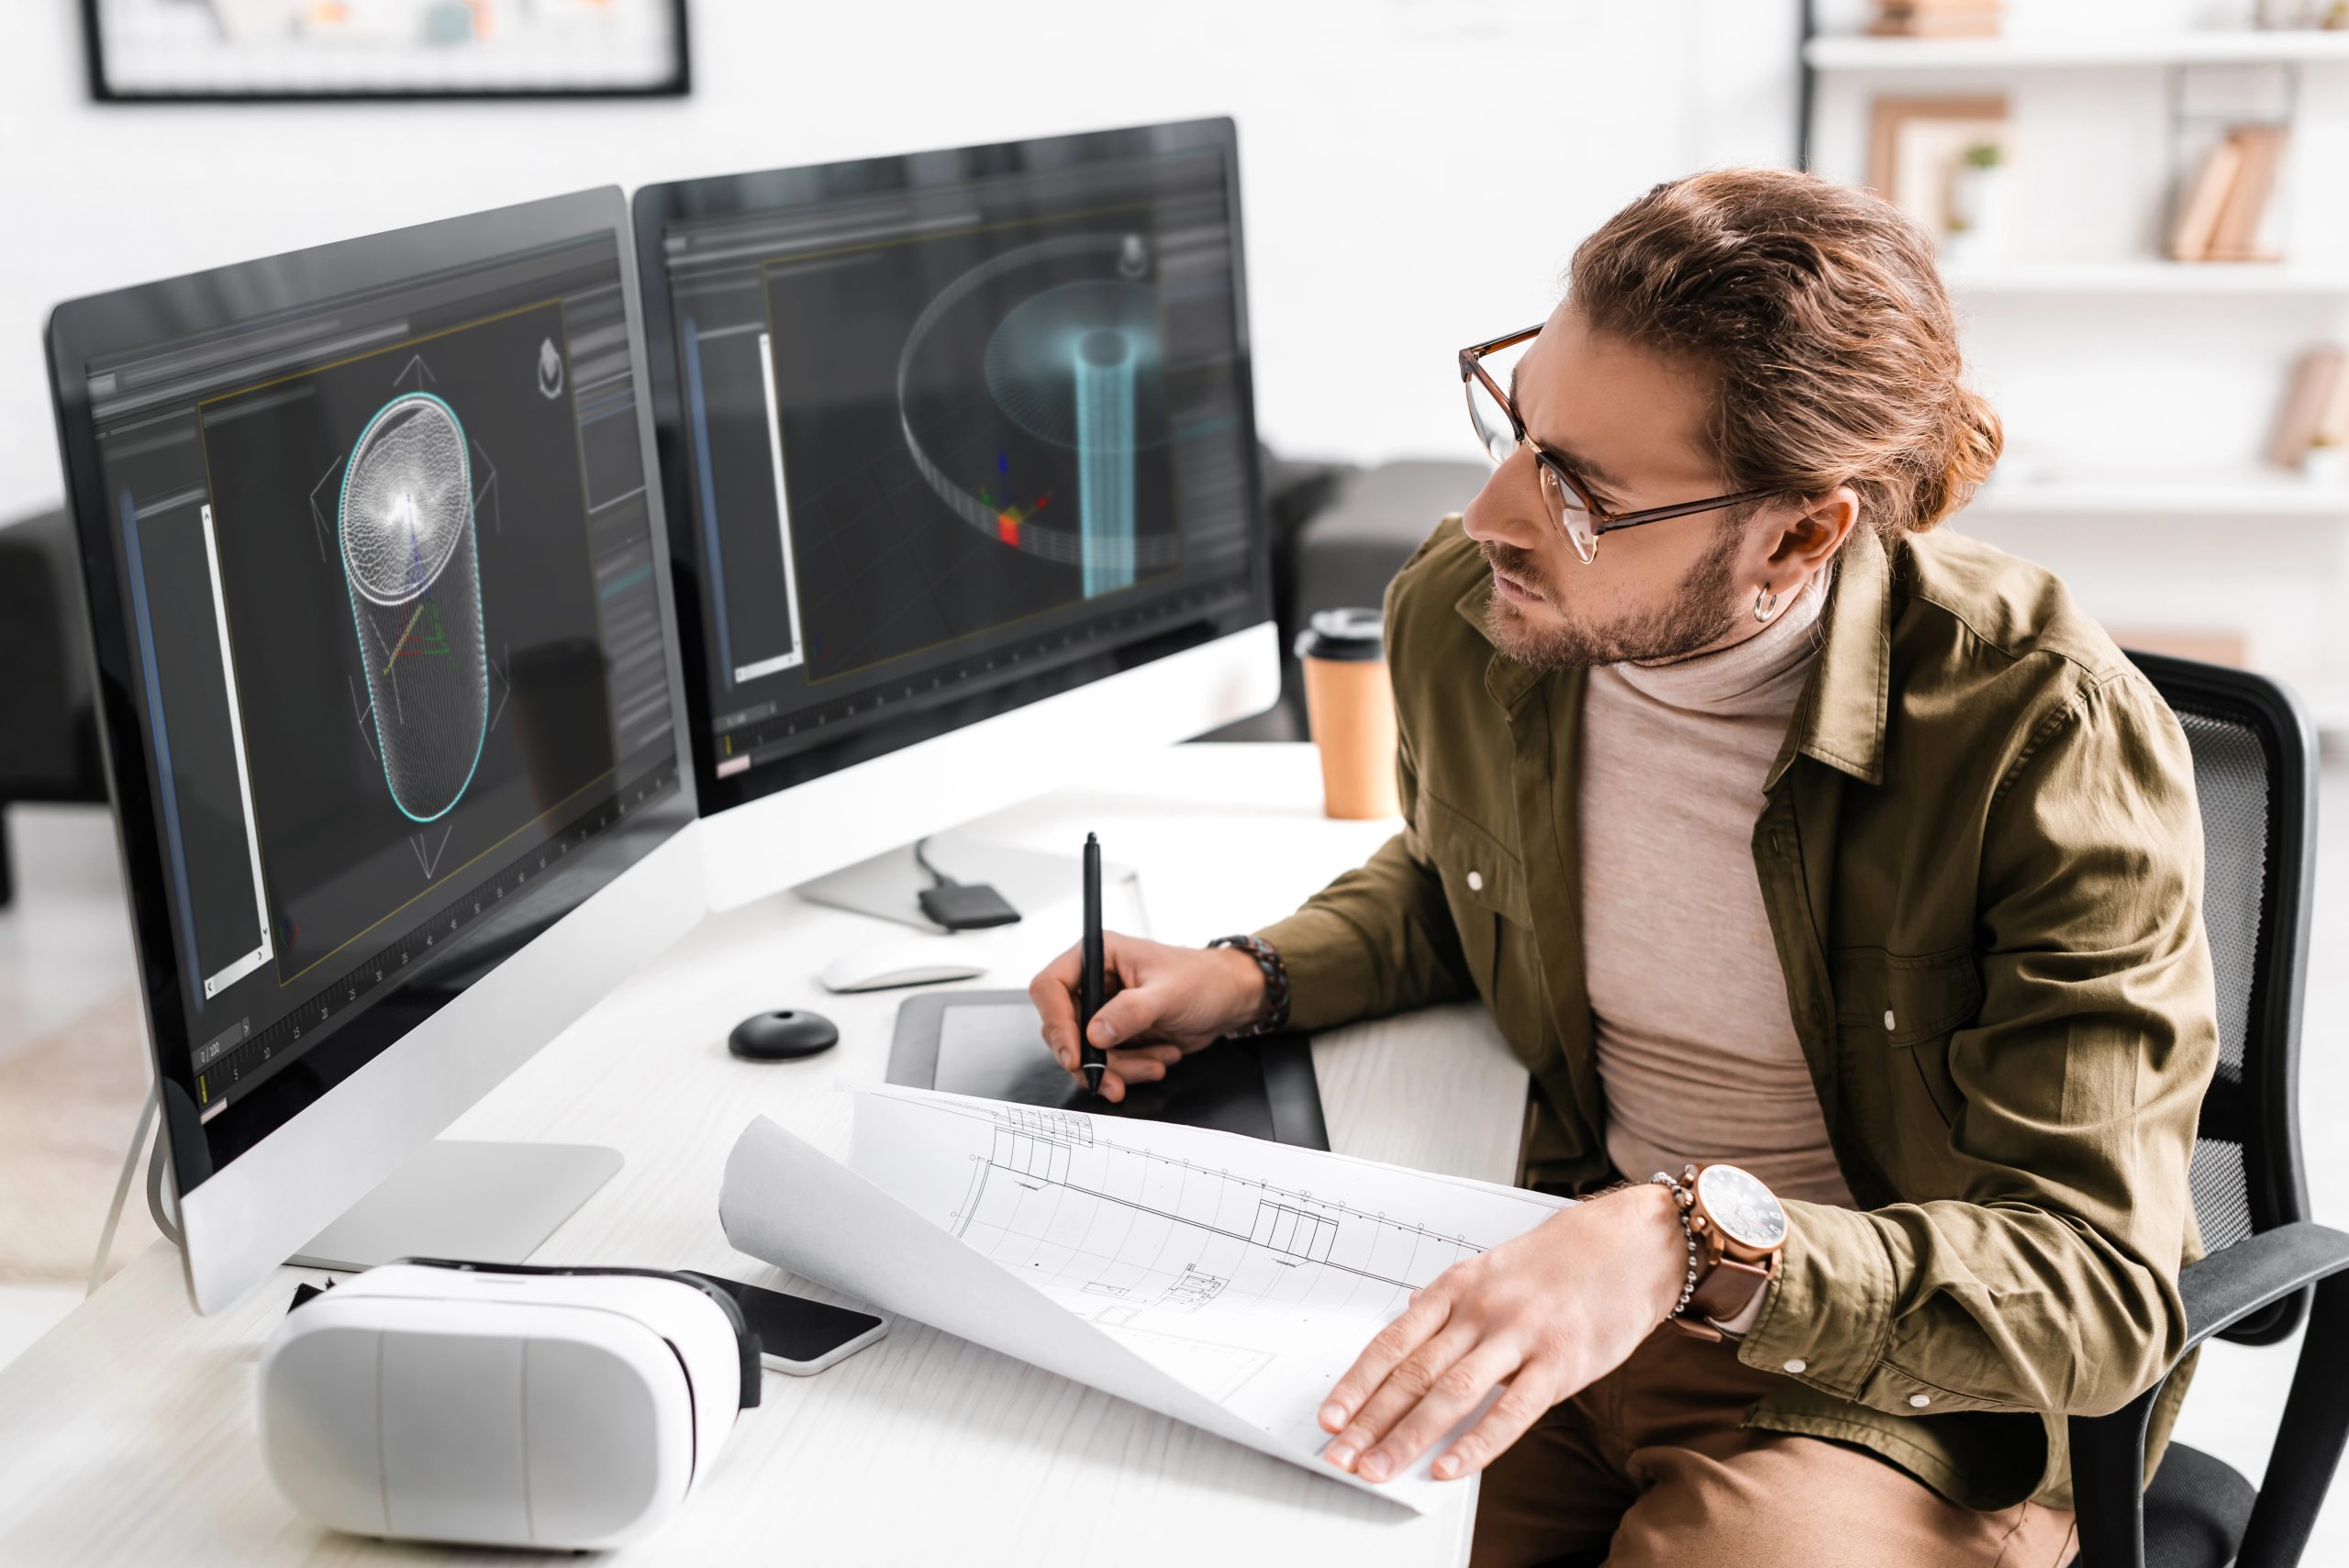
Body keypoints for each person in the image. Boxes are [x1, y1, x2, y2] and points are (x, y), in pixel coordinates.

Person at [1030, 168, 2216, 1567]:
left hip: (1891, 1390)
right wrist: (1253, 973)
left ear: (1797, 531)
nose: (1490, 516)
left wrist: (1690, 1243)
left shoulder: (2042, 732)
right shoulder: (1471, 617)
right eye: (1519, 424)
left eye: (1582, 491)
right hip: (1565, 1270)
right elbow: (1466, 869)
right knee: (1186, 1501)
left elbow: (2099, 1290)